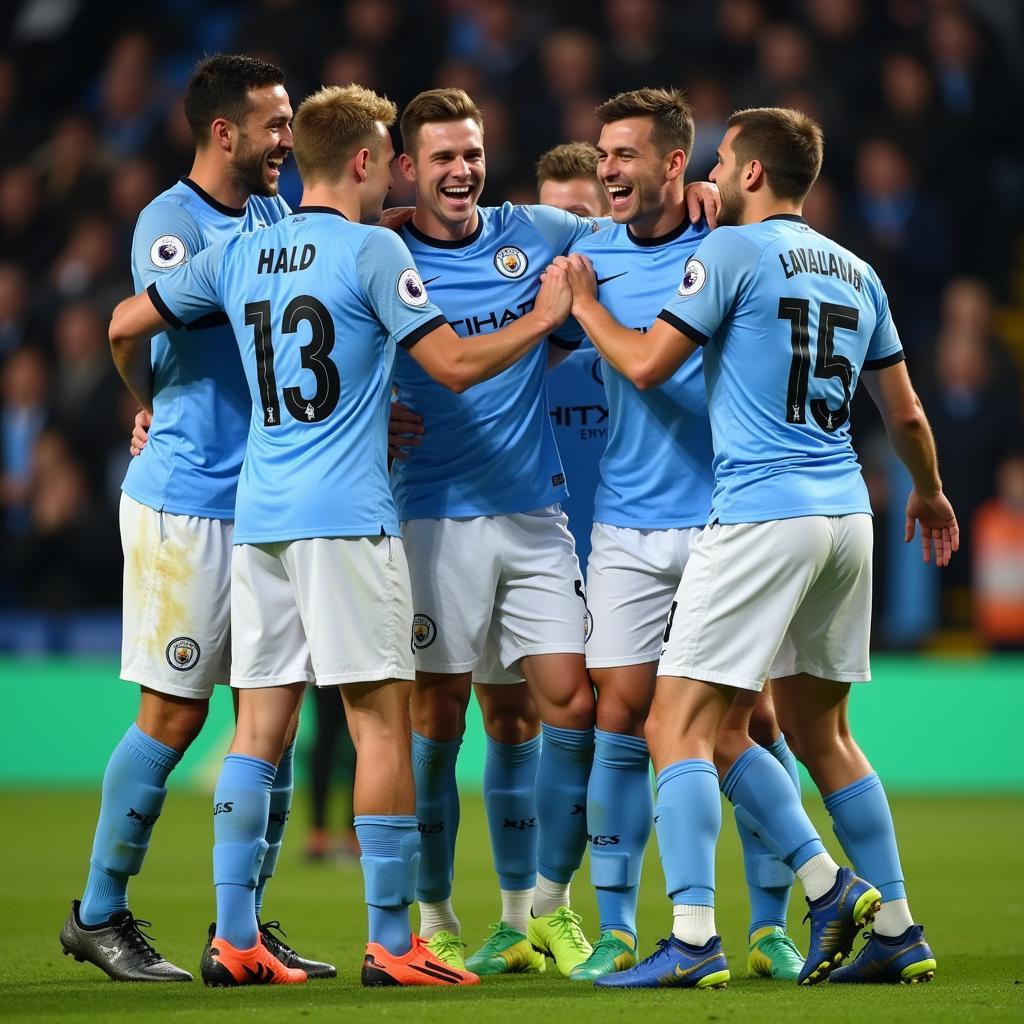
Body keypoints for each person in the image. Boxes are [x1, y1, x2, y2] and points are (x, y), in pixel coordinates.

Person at [107, 82, 573, 987]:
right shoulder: (370, 252)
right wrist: (544, 317)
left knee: (259, 730)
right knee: (381, 726)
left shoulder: (243, 249)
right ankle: (395, 944)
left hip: (260, 521)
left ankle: (234, 936)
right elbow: (453, 364)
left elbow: (126, 321)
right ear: (366, 162)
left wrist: (153, 406)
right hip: (348, 522)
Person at [557, 105, 955, 988]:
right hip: (848, 516)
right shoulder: (859, 272)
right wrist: (928, 492)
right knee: (823, 733)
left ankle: (695, 935)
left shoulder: (731, 254)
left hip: (762, 513)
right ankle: (892, 923)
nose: (710, 170)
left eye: (721, 158)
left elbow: (649, 364)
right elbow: (910, 415)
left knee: (676, 724)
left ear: (746, 173)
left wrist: (585, 303)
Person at [59, 53, 332, 983]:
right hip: (186, 503)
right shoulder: (168, 224)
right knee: (174, 717)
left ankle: (242, 932)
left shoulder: (275, 215)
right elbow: (135, 325)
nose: (286, 142)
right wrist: (150, 404)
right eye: (276, 125)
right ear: (226, 132)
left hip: (265, 503)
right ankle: (97, 913)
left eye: (294, 126)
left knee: (272, 722)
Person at [548, 88, 805, 984]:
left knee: (748, 718)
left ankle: (770, 921)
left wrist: (584, 312)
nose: (609, 168)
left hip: (722, 517)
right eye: (601, 152)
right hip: (623, 521)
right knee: (619, 712)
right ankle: (618, 924)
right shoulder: (586, 251)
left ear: (674, 165)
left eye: (625, 154)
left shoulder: (724, 245)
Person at [387, 87, 598, 979]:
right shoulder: (381, 249)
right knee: (437, 716)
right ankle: (434, 915)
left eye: (470, 153)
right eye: (441, 156)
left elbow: (632, 239)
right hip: (433, 519)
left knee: (560, 709)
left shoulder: (536, 233)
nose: (461, 170)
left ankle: (535, 913)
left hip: (535, 514)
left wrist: (709, 196)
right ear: (407, 167)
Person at [536, 142, 609, 576]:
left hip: (634, 551)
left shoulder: (654, 328)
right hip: (544, 558)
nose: (562, 241)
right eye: (551, 220)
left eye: (579, 219)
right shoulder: (507, 333)